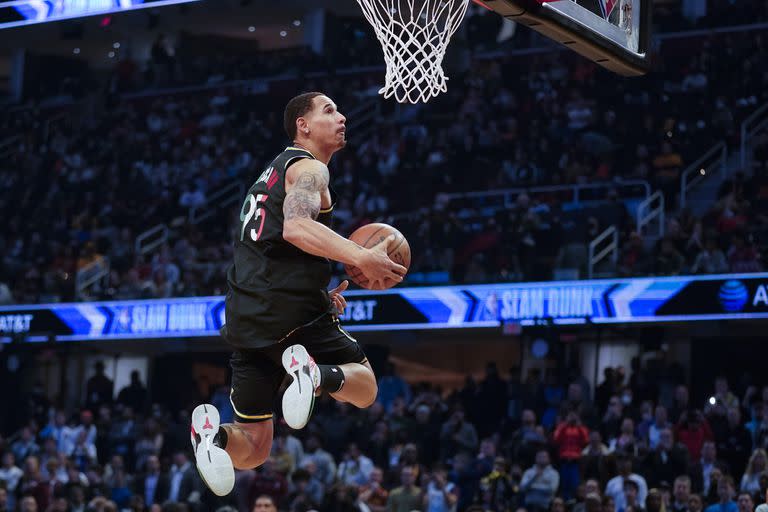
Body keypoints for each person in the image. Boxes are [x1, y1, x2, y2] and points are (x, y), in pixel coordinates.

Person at [190, 92, 406, 496]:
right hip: (289, 314)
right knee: (366, 387)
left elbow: (274, 246)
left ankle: (212, 438)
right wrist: (362, 255)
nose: (341, 117)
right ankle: (315, 375)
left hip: (246, 316)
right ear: (302, 126)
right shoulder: (309, 169)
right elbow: (295, 228)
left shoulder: (270, 174)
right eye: (329, 110)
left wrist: (318, 291)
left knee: (253, 449)